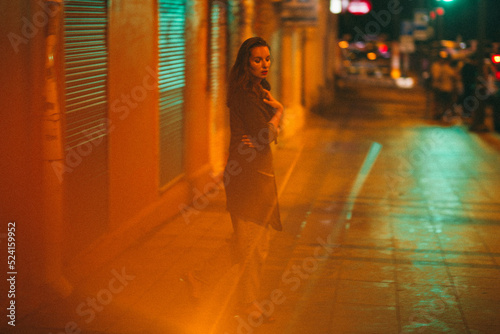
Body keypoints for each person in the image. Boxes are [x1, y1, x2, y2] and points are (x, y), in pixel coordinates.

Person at [185, 37, 284, 322]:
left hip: (259, 174)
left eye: (267, 59)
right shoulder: (244, 93)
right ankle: (249, 303)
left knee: (245, 243)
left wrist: (270, 125)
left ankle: (197, 277)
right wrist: (279, 112)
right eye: (257, 59)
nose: (264, 64)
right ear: (246, 62)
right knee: (254, 246)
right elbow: (265, 136)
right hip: (247, 177)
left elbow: (265, 135)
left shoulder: (259, 89)